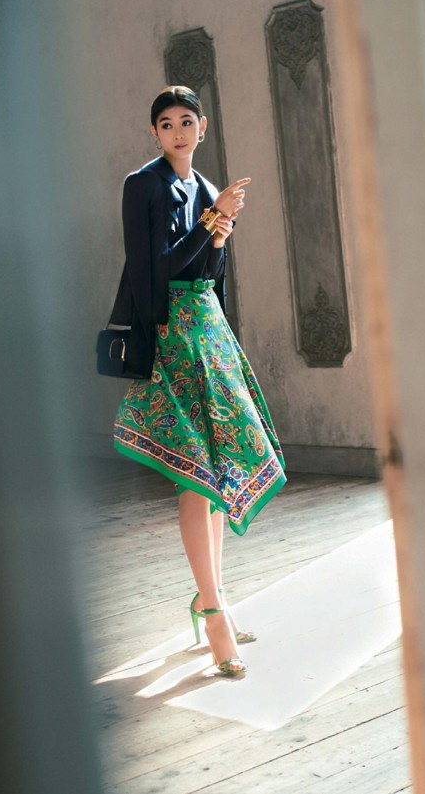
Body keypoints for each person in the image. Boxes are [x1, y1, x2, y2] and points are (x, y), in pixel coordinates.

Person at [111, 85, 287, 677]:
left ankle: (212, 597)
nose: (178, 132)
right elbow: (150, 269)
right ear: (155, 133)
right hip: (167, 335)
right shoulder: (143, 185)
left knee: (216, 472)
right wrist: (214, 221)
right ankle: (212, 611)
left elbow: (210, 272)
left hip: (208, 333)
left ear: (203, 127)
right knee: (195, 475)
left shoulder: (208, 188)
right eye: (166, 123)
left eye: (187, 121)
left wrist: (218, 230)